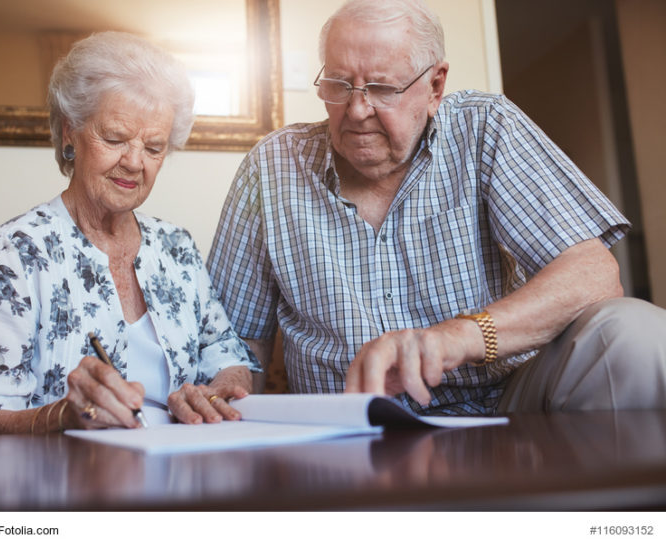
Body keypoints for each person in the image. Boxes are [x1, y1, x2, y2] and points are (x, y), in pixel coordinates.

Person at [207, 0, 666, 415]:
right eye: (339, 84)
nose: (358, 109)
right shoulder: (271, 165)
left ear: (435, 86)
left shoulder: (485, 126)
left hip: (505, 402)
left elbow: (593, 274)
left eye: (382, 88)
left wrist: (458, 338)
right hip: (347, 427)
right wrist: (228, 382)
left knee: (634, 331)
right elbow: (233, 336)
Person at [0, 31, 259, 438]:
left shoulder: (177, 248)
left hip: (174, 472)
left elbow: (227, 355)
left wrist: (226, 387)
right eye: (115, 138)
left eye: (154, 148)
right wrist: (64, 417)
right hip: (59, 480)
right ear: (70, 133)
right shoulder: (14, 252)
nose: (135, 162)